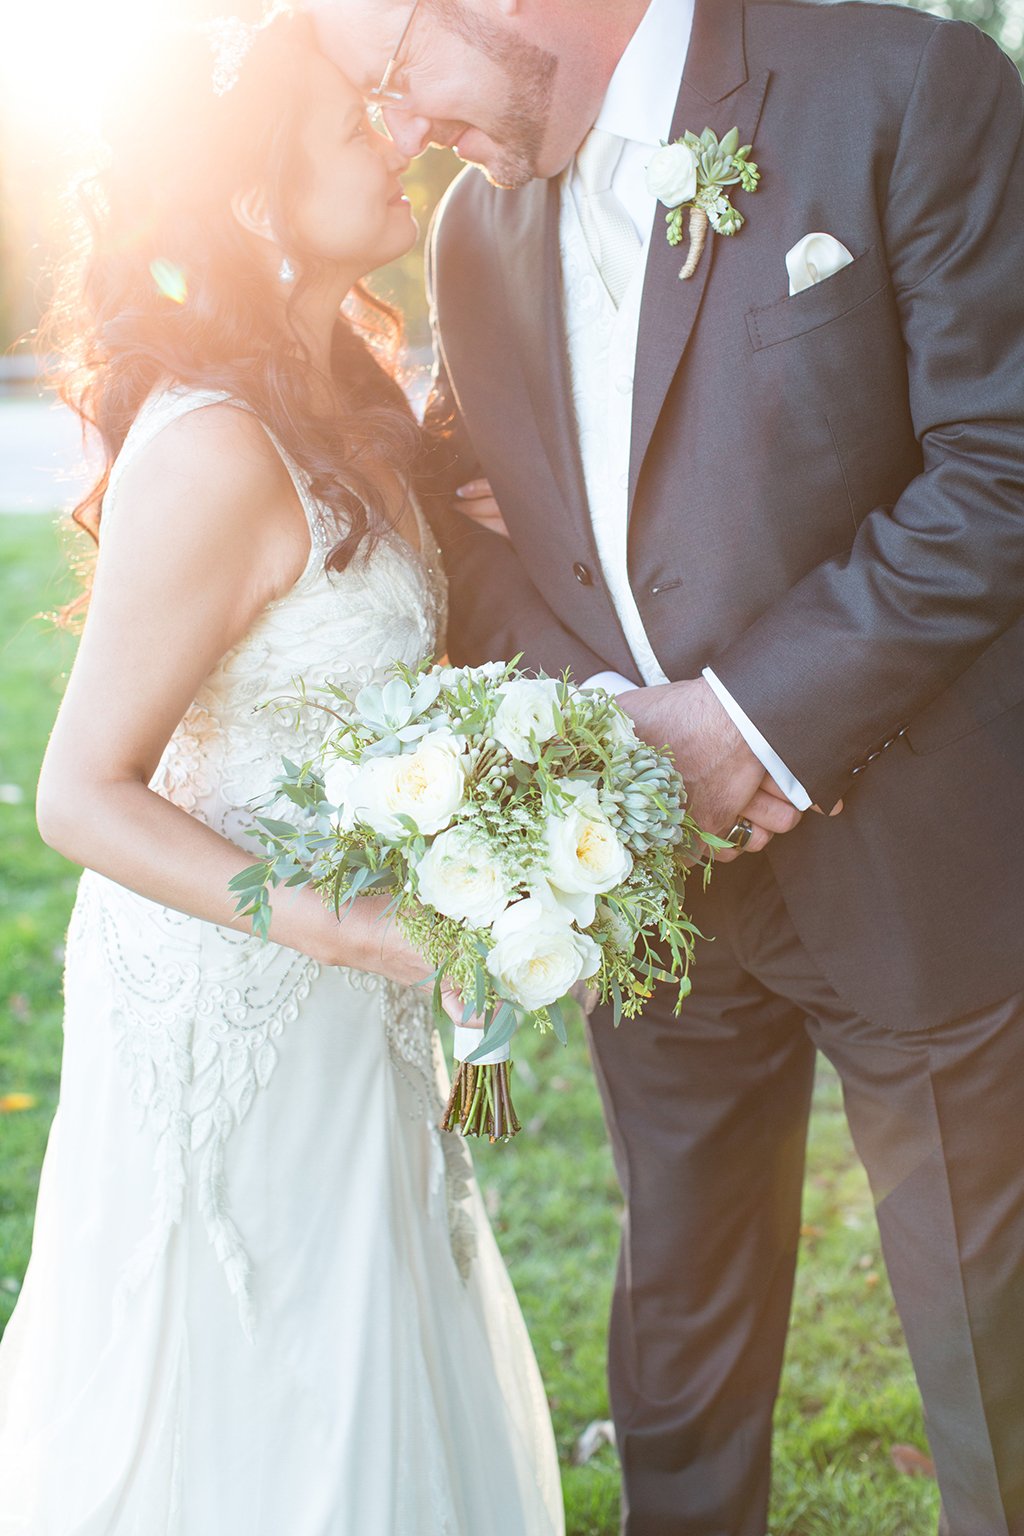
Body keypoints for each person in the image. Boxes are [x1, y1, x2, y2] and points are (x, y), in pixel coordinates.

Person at [312, 1, 1024, 1532]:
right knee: (680, 1361)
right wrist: (604, 752)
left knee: (993, 1360)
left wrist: (742, 725)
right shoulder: (470, 239)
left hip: (917, 861)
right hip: (646, 893)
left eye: (392, 75)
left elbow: (1001, 465)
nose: (400, 128)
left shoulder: (904, 89)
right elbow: (510, 555)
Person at [0, 12, 564, 1534]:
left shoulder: (356, 398)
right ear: (251, 201)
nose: (398, 137)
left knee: (373, 1336)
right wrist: (330, 922)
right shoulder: (213, 448)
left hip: (363, 989)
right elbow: (80, 793)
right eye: (352, 126)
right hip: (240, 991)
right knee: (254, 1380)